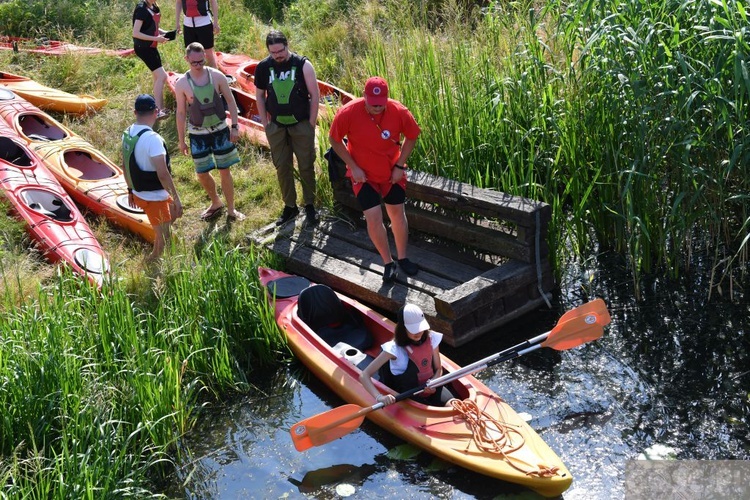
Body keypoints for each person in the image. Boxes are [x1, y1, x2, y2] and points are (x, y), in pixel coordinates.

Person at [329, 76, 421, 282]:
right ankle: (388, 263)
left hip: (391, 173)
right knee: (373, 217)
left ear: (387, 98)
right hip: (363, 176)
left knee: (397, 213)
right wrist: (353, 167)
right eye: (372, 104)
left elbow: (412, 136)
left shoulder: (399, 111)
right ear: (364, 97)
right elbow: (334, 140)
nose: (377, 108)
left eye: (381, 104)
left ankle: (403, 257)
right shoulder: (348, 113)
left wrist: (399, 166)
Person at [254, 30, 319, 226]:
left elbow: (314, 95)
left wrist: (311, 123)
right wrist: (266, 124)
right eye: (273, 52)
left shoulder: (303, 65)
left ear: (287, 45)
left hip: (301, 124)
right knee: (282, 167)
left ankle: (310, 205)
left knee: (306, 165)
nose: (278, 55)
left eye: (280, 51)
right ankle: (290, 207)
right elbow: (259, 95)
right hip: (276, 126)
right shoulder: (264, 67)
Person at [174, 42, 245, 221]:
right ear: (187, 60)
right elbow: (181, 113)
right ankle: (216, 202)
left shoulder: (217, 76)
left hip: (220, 130)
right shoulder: (182, 83)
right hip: (197, 133)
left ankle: (231, 209)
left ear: (205, 57)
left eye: (201, 61)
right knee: (202, 172)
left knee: (225, 170)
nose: (198, 66)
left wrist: (235, 127)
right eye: (194, 63)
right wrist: (181, 140)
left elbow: (231, 101)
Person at [122, 94, 183, 261]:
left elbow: (125, 165)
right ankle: (154, 262)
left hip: (138, 192)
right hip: (154, 198)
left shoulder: (127, 133)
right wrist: (177, 198)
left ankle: (156, 245)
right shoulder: (153, 140)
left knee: (172, 217)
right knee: (165, 237)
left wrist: (130, 190)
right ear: (156, 112)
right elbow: (163, 174)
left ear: (135, 112)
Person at [360, 304, 454, 407]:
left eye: (420, 327)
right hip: (408, 396)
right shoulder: (394, 349)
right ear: (403, 328)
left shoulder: (432, 338)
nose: (418, 332)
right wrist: (380, 397)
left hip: (432, 388)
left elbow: (438, 368)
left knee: (456, 407)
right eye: (413, 329)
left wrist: (433, 383)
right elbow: (364, 375)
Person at [132, 0, 172, 117]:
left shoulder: (154, 7)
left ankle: (155, 108)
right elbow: (136, 33)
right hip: (143, 47)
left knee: (157, 76)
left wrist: (166, 33)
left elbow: (152, 27)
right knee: (162, 76)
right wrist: (156, 39)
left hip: (151, 46)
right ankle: (159, 110)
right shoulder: (141, 9)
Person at [175, 0, 220, 68]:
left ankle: (214, 77)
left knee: (208, 54)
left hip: (204, 23)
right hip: (188, 25)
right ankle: (195, 77)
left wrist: (216, 22)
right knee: (191, 55)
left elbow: (213, 1)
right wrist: (177, 22)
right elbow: (178, 2)